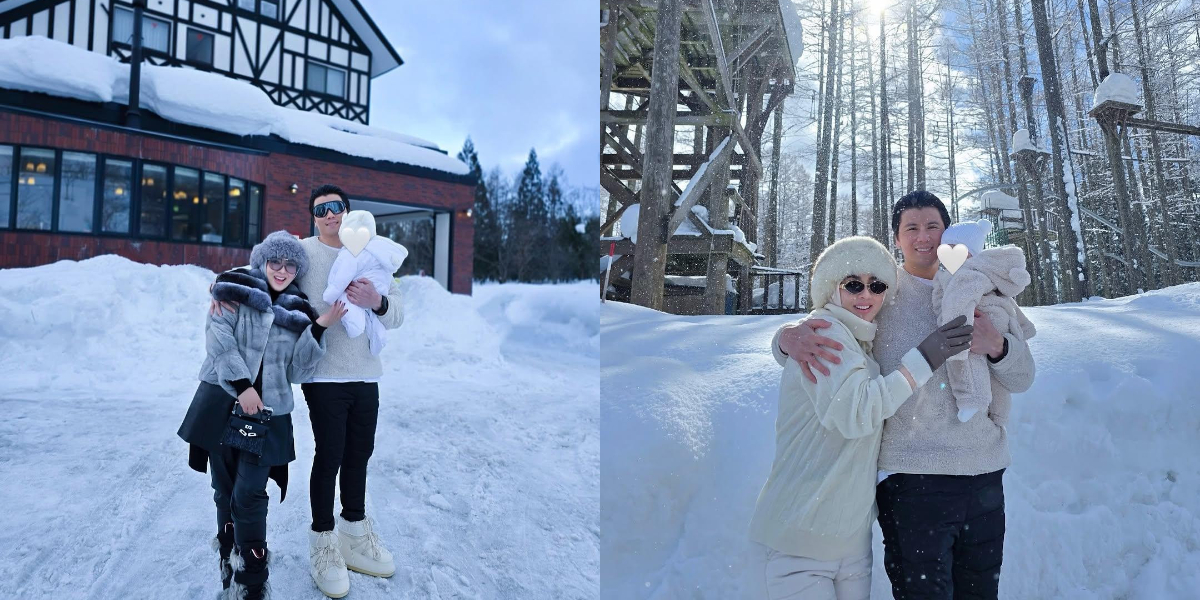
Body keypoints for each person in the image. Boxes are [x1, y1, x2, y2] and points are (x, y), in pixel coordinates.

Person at [774, 191, 1037, 599]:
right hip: (913, 482)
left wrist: (999, 346)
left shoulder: (981, 287)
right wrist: (785, 339)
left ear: (948, 232)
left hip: (984, 477)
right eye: (910, 228)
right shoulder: (880, 291)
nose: (923, 237)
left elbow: (1023, 378)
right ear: (896, 238)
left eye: (933, 226)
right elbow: (832, 326)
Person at [750, 236, 973, 600]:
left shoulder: (861, 341)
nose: (865, 295)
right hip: (802, 543)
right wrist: (925, 358)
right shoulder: (825, 332)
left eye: (877, 284)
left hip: (848, 542)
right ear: (830, 288)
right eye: (853, 284)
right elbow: (856, 412)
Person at [211, 184, 403, 598]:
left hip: (366, 373)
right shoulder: (303, 254)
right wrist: (223, 292)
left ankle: (354, 532)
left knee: (360, 454)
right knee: (331, 453)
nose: (330, 215)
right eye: (321, 210)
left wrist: (379, 302)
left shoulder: (376, 250)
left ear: (348, 211)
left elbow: (398, 311)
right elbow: (265, 269)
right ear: (313, 218)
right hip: (323, 376)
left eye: (337, 207)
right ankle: (324, 543)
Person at [179, 230, 347, 599]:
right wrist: (243, 385)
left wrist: (317, 329)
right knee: (223, 489)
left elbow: (298, 373)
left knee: (249, 493)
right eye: (275, 261)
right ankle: (228, 560)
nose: (282, 270)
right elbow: (218, 337)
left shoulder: (299, 309)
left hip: (265, 416)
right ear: (262, 261)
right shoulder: (234, 287)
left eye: (290, 264)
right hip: (223, 402)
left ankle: (253, 580)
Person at [932, 218, 1038, 423]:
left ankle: (980, 403)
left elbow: (1023, 380)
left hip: (987, 446)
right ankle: (987, 408)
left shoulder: (970, 276)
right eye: (946, 250)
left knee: (978, 369)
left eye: (959, 250)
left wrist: (999, 346)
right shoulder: (946, 279)